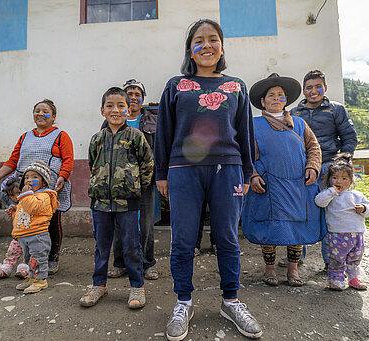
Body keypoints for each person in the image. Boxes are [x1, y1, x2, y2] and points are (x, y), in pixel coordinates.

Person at [155, 19, 262, 340]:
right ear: (190, 49)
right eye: (198, 40)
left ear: (222, 47)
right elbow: (164, 132)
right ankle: (183, 302)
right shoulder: (176, 85)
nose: (206, 45)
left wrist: (247, 171)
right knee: (183, 240)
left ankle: (231, 300)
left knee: (227, 238)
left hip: (228, 169)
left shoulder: (237, 86)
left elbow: (245, 132)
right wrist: (161, 173)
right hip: (182, 170)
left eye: (213, 39)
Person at [241, 73, 326, 288]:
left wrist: (313, 167)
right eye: (271, 95)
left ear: (286, 100)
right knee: (269, 226)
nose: (276, 98)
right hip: (268, 185)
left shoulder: (299, 123)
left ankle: (293, 269)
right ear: (262, 101)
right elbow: (247, 153)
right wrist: (253, 175)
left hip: (298, 184)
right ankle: (269, 269)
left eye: (280, 95)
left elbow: (313, 148)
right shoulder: (253, 125)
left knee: (296, 228)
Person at [0, 99, 74, 275]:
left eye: (45, 111)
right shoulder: (25, 137)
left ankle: (52, 257)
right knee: (25, 222)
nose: (40, 114)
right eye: (37, 111)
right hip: (25, 188)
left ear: (53, 117)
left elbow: (68, 159)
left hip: (49, 186)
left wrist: (63, 177)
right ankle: (27, 260)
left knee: (51, 222)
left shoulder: (61, 136)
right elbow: (13, 161)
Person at [80, 87, 153, 310]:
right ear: (102, 110)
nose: (115, 110)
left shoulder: (136, 136)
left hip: (128, 203)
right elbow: (92, 164)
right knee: (102, 246)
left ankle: (136, 286)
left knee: (132, 246)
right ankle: (98, 285)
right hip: (101, 202)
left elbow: (147, 165)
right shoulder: (97, 139)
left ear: (128, 109)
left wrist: (135, 189)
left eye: (121, 106)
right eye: (110, 106)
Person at [286, 70, 358, 271]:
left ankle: (331, 261)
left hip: (328, 167)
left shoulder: (336, 109)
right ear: (303, 90)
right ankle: (297, 256)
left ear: (325, 88)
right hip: (303, 169)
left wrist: (344, 158)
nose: (313, 91)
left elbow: (349, 137)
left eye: (318, 86)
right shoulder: (293, 113)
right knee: (301, 213)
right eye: (309, 87)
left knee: (331, 215)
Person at [108, 79, 159, 280]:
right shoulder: (111, 119)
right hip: (119, 183)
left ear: (143, 99)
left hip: (145, 182)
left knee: (146, 224)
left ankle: (148, 264)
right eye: (130, 93)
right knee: (119, 224)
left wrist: (159, 176)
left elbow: (159, 149)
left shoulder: (152, 120)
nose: (134, 97)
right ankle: (120, 263)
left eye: (138, 94)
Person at [314, 153, 369, 291]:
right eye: (334, 178)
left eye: (344, 178)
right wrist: (331, 192)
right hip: (337, 234)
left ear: (351, 181)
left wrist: (364, 208)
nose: (338, 181)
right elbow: (319, 202)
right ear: (329, 180)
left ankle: (353, 279)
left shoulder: (357, 195)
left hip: (357, 234)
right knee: (337, 258)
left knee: (355, 257)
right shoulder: (329, 196)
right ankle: (336, 279)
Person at [13, 161, 59, 294]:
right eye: (27, 177)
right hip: (26, 234)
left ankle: (40, 281)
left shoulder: (44, 196)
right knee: (28, 259)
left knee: (38, 258)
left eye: (34, 177)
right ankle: (31, 277)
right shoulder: (28, 196)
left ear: (43, 182)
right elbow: (24, 212)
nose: (29, 180)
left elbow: (32, 207)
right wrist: (14, 211)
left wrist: (25, 195)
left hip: (38, 235)